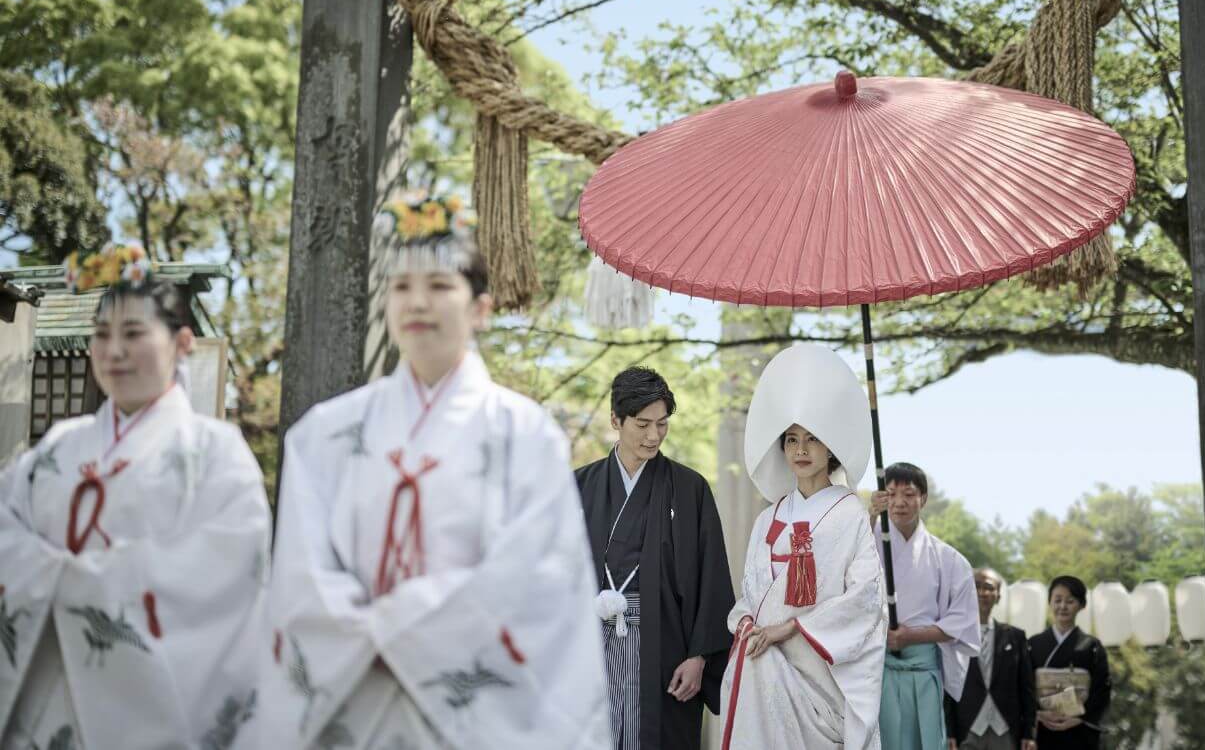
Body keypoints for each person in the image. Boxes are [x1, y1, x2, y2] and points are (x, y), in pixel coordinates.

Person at [258, 197, 609, 747]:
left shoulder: (526, 435)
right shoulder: (324, 434)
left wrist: (395, 624)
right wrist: (370, 633)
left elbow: (538, 582)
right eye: (400, 287)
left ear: (479, 308)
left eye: (440, 286)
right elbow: (301, 572)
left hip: (475, 718)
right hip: (356, 694)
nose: (417, 302)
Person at [0, 243, 270, 748]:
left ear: (182, 342)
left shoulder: (216, 453)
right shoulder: (59, 446)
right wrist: (55, 576)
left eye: (133, 333)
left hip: (149, 708)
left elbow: (226, 574)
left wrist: (75, 580)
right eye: (102, 335)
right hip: (43, 696)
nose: (114, 351)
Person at [719, 343, 886, 750]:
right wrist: (746, 626)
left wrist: (791, 627)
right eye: (791, 439)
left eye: (812, 439)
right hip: (767, 664)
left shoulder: (850, 515)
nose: (801, 450)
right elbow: (752, 596)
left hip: (820, 670)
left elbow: (865, 600)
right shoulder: (768, 519)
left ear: (830, 446)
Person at [575, 367, 734, 750]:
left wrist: (700, 656)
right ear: (616, 419)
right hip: (589, 645)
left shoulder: (689, 488)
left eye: (662, 424)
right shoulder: (579, 486)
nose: (653, 436)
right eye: (642, 424)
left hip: (665, 648)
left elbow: (711, 578)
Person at [870, 463, 980, 750]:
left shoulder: (950, 560)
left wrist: (911, 636)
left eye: (909, 494)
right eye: (891, 494)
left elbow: (962, 621)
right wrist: (868, 518)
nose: (899, 503)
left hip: (923, 667)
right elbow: (842, 580)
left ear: (924, 498)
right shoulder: (867, 547)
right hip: (878, 668)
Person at [944, 569, 1037, 750]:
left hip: (1006, 728)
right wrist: (949, 731)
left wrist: (1029, 732)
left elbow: (1027, 688)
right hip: (967, 727)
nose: (981, 592)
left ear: (998, 596)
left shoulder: (1016, 637)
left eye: (988, 587)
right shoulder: (954, 635)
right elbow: (949, 687)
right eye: (976, 586)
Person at [1027, 575, 1111, 749]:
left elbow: (1101, 689)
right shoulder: (1033, 644)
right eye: (1057, 600)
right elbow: (1024, 685)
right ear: (1050, 602)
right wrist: (1038, 712)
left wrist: (1079, 718)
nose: (1062, 606)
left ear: (1081, 605)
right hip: (1043, 727)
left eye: (1070, 601)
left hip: (1078, 730)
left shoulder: (1092, 646)